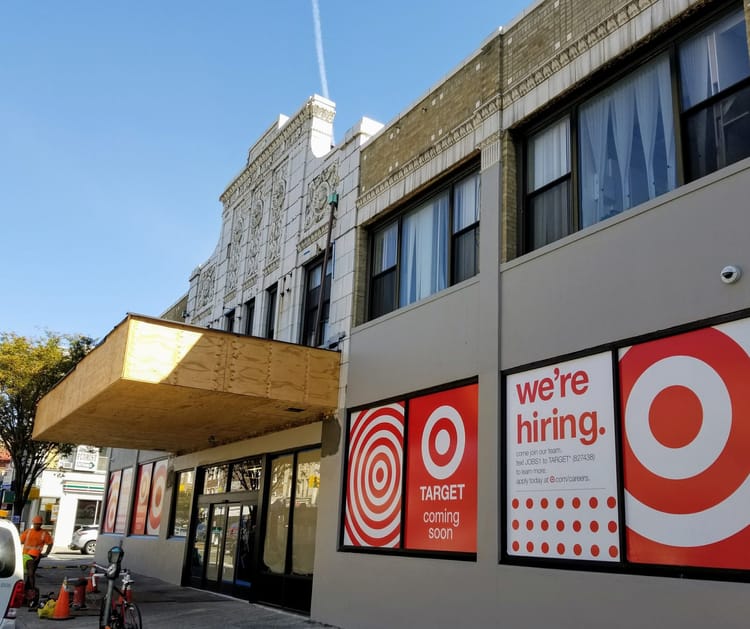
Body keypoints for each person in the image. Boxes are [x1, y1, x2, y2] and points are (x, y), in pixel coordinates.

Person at [20, 515, 53, 604]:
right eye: (35, 524)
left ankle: (30, 591)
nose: (37, 525)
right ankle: (28, 591)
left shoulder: (44, 533)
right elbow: (20, 541)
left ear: (41, 524)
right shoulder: (28, 532)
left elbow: (50, 543)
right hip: (26, 555)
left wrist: (46, 553)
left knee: (30, 574)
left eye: (38, 524)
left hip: (35, 557)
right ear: (33, 523)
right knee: (28, 575)